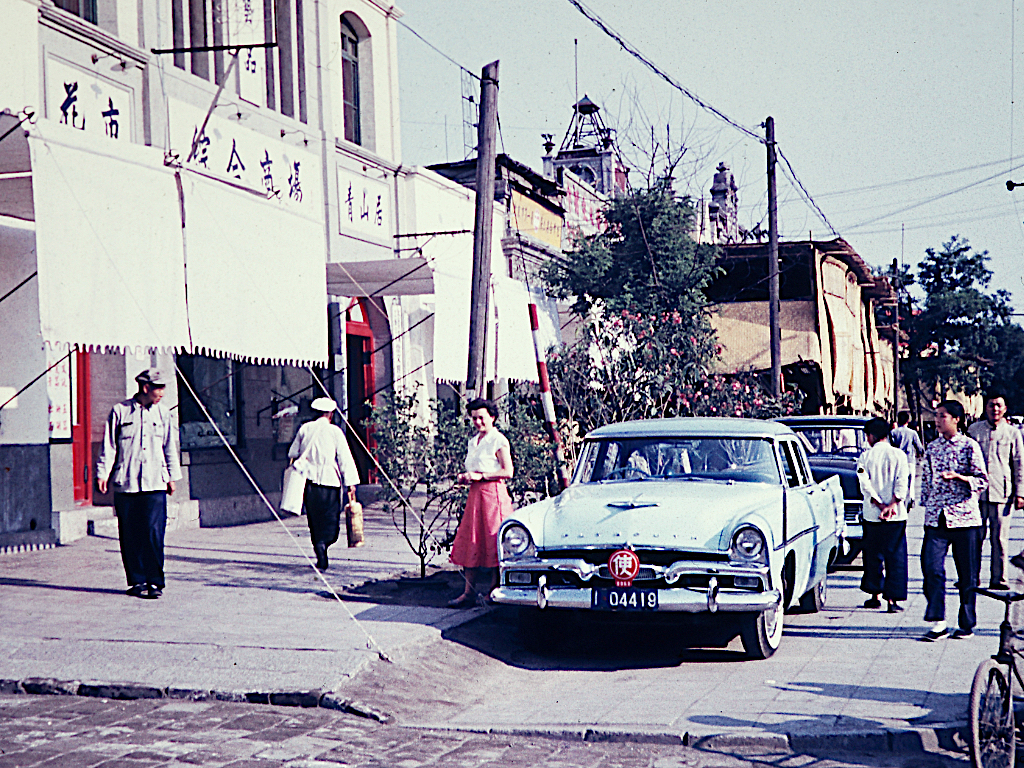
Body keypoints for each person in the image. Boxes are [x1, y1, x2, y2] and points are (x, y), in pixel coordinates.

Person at [96, 369, 182, 600]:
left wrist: (172, 477)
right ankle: (136, 581)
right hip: (127, 483)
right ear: (145, 388)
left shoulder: (163, 414)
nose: (162, 393)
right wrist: (102, 473)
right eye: (158, 388)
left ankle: (155, 581)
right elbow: (109, 446)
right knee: (130, 534)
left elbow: (169, 447)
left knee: (154, 533)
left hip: (155, 483)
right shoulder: (120, 411)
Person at [919, 400, 988, 641]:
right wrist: (926, 505)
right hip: (937, 518)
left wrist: (960, 478)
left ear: (956, 419)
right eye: (936, 416)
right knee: (931, 567)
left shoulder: (970, 446)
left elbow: (982, 480)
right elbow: (926, 479)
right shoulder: (932, 447)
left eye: (942, 416)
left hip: (965, 517)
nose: (937, 420)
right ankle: (938, 621)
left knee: (967, 573)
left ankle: (967, 622)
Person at [448, 398, 514, 607]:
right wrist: (466, 477)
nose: (477, 422)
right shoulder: (473, 441)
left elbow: (508, 471)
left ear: (492, 418)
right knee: (471, 540)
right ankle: (468, 592)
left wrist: (481, 476)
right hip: (475, 496)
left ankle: (495, 590)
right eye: (474, 418)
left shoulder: (498, 440)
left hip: (493, 494)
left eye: (481, 418)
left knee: (493, 540)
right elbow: (474, 469)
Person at [288, 397, 361, 571]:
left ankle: (319, 547)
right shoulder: (335, 432)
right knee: (330, 517)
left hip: (310, 481)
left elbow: (293, 452)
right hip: (330, 480)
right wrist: (350, 482)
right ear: (330, 414)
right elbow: (344, 458)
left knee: (314, 517)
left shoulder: (304, 429)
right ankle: (325, 543)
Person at [970, 394, 1024, 587]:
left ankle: (999, 578)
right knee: (974, 539)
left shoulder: (1012, 433)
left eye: (999, 405)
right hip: (977, 494)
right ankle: (971, 577)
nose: (995, 409)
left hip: (1002, 493)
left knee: (1000, 539)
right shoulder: (974, 430)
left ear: (1005, 408)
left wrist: (1020, 493)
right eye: (992, 405)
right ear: (986, 407)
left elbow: (1019, 463)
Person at [856, 417, 910, 613]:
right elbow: (902, 481)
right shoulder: (900, 456)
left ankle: (874, 595)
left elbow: (864, 482)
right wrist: (893, 503)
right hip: (895, 515)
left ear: (870, 436)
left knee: (873, 555)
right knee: (895, 556)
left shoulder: (865, 457)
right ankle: (893, 600)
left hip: (872, 514)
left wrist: (878, 504)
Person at [890, 411, 924, 504]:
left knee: (898, 480)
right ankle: (911, 498)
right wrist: (921, 454)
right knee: (911, 481)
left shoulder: (893, 432)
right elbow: (919, 447)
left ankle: (900, 498)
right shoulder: (912, 433)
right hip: (910, 460)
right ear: (908, 421)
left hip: (897, 461)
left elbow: (890, 446)